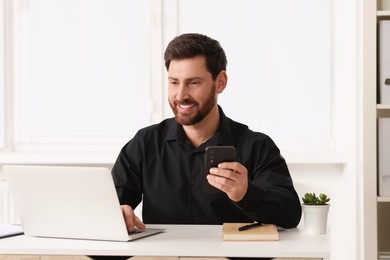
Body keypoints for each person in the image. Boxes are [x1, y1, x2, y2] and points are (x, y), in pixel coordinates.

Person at [111, 33, 301, 234]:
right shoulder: (145, 143)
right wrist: (118, 212)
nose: (181, 95)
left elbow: (290, 214)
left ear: (220, 82)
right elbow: (110, 204)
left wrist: (246, 194)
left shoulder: (256, 146)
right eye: (174, 82)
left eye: (193, 83)